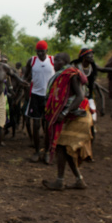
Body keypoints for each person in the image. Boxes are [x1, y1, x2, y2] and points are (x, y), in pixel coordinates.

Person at [43, 53, 92, 190]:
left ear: (65, 61)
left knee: (61, 146)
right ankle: (78, 180)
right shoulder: (63, 74)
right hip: (73, 116)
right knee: (63, 148)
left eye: (58, 60)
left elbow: (80, 96)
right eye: (54, 60)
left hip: (78, 116)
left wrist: (64, 112)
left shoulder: (70, 74)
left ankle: (60, 181)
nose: (55, 62)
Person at [24, 40, 55, 163]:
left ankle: (47, 152)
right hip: (35, 96)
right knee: (36, 125)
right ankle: (37, 151)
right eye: (38, 51)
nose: (40, 54)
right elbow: (25, 76)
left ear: (46, 51)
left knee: (47, 126)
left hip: (49, 97)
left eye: (42, 51)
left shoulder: (52, 60)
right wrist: (23, 84)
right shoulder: (32, 61)